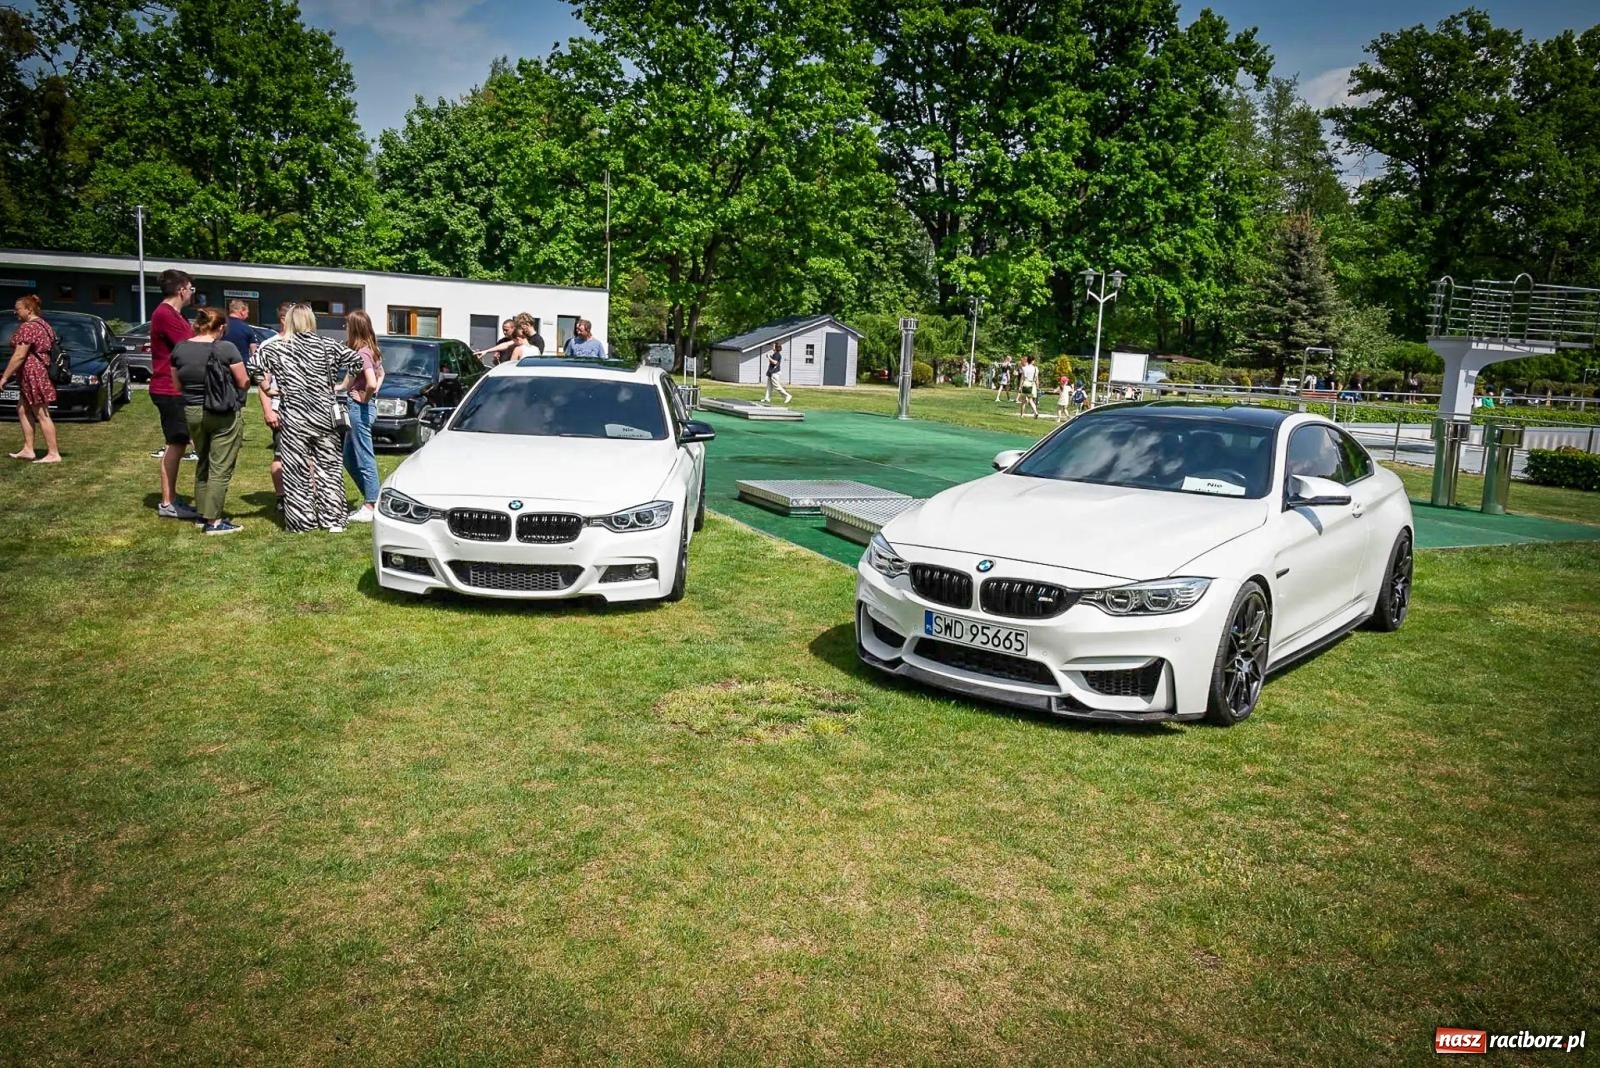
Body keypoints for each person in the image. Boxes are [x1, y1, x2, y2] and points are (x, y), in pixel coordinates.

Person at [255, 304, 360, 533]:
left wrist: (267, 387)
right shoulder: (328, 345)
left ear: (290, 321)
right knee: (329, 467)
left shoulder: (276, 348)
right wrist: (342, 385)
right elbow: (357, 362)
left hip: (294, 415)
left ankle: (302, 521)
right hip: (324, 415)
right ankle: (333, 520)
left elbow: (253, 366)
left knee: (296, 469)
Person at [169, 306, 250, 534]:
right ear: (221, 327)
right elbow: (243, 381)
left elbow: (177, 385)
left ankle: (202, 515)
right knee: (220, 467)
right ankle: (214, 521)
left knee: (203, 461)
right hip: (223, 412)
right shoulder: (226, 348)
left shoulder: (180, 349)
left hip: (193, 411)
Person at [148, 269, 200, 517]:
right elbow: (189, 346)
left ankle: (171, 498)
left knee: (178, 442)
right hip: (169, 389)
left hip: (175, 387)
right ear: (181, 289)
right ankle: (168, 503)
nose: (191, 293)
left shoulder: (172, 314)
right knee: (176, 443)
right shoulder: (165, 314)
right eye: (191, 288)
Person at [0, 294, 62, 463]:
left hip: (33, 373)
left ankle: (53, 453)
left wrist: (4, 377)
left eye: (18, 309)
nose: (15, 312)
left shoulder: (29, 327)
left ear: (29, 309)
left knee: (41, 413)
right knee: (22, 408)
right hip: (37, 372)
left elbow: (19, 355)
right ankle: (28, 449)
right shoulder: (44, 325)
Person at [248, 301, 294, 510]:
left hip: (303, 411)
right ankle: (281, 497)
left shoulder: (304, 344)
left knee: (309, 456)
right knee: (281, 455)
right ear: (283, 319)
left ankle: (306, 496)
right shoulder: (270, 345)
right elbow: (262, 381)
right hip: (280, 409)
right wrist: (268, 411)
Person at [341, 309, 384, 523]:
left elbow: (372, 381)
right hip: (360, 406)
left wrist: (365, 398)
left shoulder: (363, 353)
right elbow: (381, 374)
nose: (345, 328)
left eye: (347, 325)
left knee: (364, 456)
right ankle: (374, 497)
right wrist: (340, 388)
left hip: (360, 409)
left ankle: (372, 503)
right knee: (348, 458)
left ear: (354, 328)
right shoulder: (370, 350)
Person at [763, 340, 792, 405]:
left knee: (776, 386)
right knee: (769, 386)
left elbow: (775, 362)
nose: (772, 347)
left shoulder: (777, 354)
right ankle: (767, 398)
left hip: (775, 373)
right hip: (771, 372)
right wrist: (770, 357)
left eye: (773, 346)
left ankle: (787, 395)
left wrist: (768, 357)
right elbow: (772, 362)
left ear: (776, 347)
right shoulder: (774, 354)